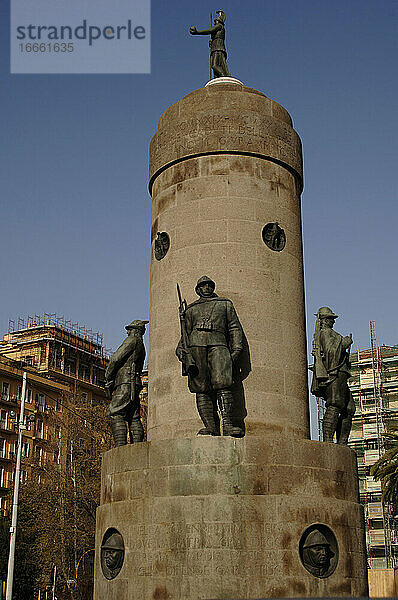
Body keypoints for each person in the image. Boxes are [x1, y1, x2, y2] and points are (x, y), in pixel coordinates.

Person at [176, 276, 244, 437]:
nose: (206, 288)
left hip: (219, 345)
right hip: (196, 348)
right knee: (201, 389)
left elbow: (234, 327)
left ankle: (227, 425)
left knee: (223, 384)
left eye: (208, 285)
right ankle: (210, 426)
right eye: (203, 286)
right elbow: (185, 334)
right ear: (198, 289)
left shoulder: (224, 304)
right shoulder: (191, 310)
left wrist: (237, 348)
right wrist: (181, 351)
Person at [310, 307, 355, 444]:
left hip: (341, 372)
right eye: (330, 319)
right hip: (334, 372)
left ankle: (342, 442)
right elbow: (331, 350)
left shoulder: (330, 332)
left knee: (349, 408)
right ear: (324, 320)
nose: (333, 322)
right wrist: (344, 343)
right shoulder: (325, 333)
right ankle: (328, 440)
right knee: (335, 403)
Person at [105, 320, 148, 446]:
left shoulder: (132, 340)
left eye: (130, 329)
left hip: (125, 382)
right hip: (134, 382)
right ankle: (137, 447)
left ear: (136, 331)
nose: (127, 332)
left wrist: (108, 377)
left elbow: (115, 359)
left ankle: (120, 447)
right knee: (133, 416)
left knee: (115, 412)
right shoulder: (141, 345)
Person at [189, 10, 231, 78]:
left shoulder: (219, 26)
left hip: (218, 47)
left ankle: (224, 77)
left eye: (215, 21)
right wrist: (212, 42)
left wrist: (197, 32)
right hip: (215, 46)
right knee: (217, 66)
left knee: (215, 65)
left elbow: (210, 31)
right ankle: (221, 78)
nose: (214, 23)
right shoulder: (218, 27)